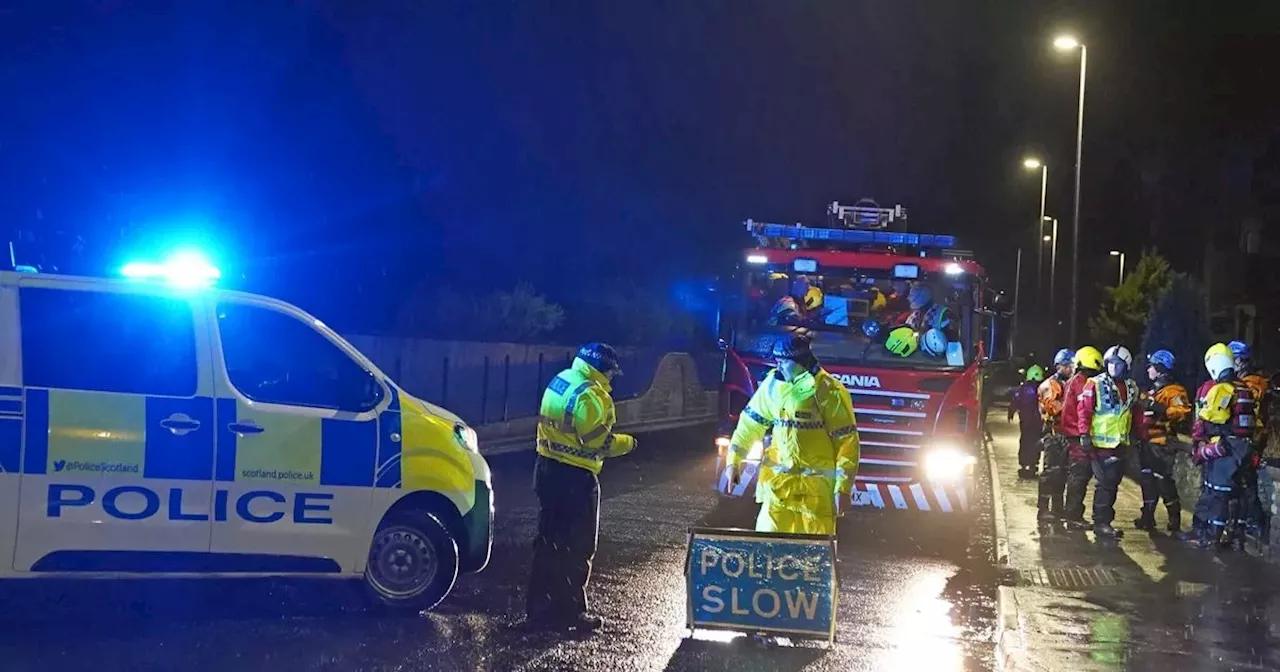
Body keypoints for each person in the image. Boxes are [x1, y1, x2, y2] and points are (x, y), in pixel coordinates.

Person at [526, 342, 636, 632]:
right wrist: (629, 443)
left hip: (546, 470)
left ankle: (539, 610)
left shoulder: (562, 380)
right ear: (601, 369)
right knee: (578, 546)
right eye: (611, 373)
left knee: (548, 542)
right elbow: (598, 441)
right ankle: (570, 613)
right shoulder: (590, 394)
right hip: (575, 478)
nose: (612, 379)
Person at [722, 333, 860, 535]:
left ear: (799, 362)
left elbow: (847, 442)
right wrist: (733, 461)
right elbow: (749, 426)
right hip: (778, 490)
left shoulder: (829, 391)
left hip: (815, 497)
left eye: (783, 362)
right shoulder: (772, 386)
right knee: (769, 551)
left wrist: (843, 488)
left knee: (814, 558)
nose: (778, 367)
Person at [1183, 345, 1257, 549]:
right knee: (1238, 496)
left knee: (1217, 494)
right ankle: (1236, 539)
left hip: (1225, 450)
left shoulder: (1221, 389)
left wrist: (1200, 443)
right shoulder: (1244, 388)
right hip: (1244, 448)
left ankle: (1211, 538)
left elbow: (1209, 419)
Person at [1075, 346, 1141, 539]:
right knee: (1105, 484)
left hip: (1120, 443)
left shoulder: (1131, 387)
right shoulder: (1094, 384)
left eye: (1118, 364)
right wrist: (1084, 435)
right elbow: (1084, 410)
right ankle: (1101, 522)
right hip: (1100, 445)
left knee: (1112, 483)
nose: (1113, 368)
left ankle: (1104, 521)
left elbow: (1133, 413)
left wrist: (1137, 436)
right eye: (1110, 363)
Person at [1133, 350, 1192, 532]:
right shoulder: (1150, 391)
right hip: (1147, 443)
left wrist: (1162, 409)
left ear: (1159, 369)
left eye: (1152, 366)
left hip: (1162, 444)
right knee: (1147, 480)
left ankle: (1174, 519)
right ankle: (1147, 517)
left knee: (1163, 482)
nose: (1149, 369)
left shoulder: (1174, 391)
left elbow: (1183, 412)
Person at [1061, 346, 1104, 530]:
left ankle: (1072, 514)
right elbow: (1085, 411)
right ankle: (1073, 515)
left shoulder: (1074, 381)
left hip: (1074, 435)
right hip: (1078, 437)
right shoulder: (1081, 383)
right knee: (1079, 477)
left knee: (1078, 477)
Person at [1229, 340, 1266, 540]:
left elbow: (1253, 408)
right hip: (1246, 438)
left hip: (1252, 439)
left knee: (1248, 485)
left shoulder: (1253, 382)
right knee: (1240, 485)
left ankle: (1256, 524)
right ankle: (1242, 525)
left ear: (1241, 361)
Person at [1036, 348, 1074, 521]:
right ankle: (1043, 508)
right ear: (1059, 366)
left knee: (1063, 473)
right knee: (1051, 472)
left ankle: (1058, 508)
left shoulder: (1067, 384)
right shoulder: (1049, 385)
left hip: (1065, 435)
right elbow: (1053, 407)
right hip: (1053, 434)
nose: (1072, 369)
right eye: (1069, 366)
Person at [1009, 365, 1046, 479]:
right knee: (1036, 443)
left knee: (1025, 441)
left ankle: (1024, 464)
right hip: (1038, 423)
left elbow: (1015, 401)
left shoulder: (1023, 389)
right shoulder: (1043, 389)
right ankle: (1032, 464)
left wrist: (1011, 413)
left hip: (1025, 422)